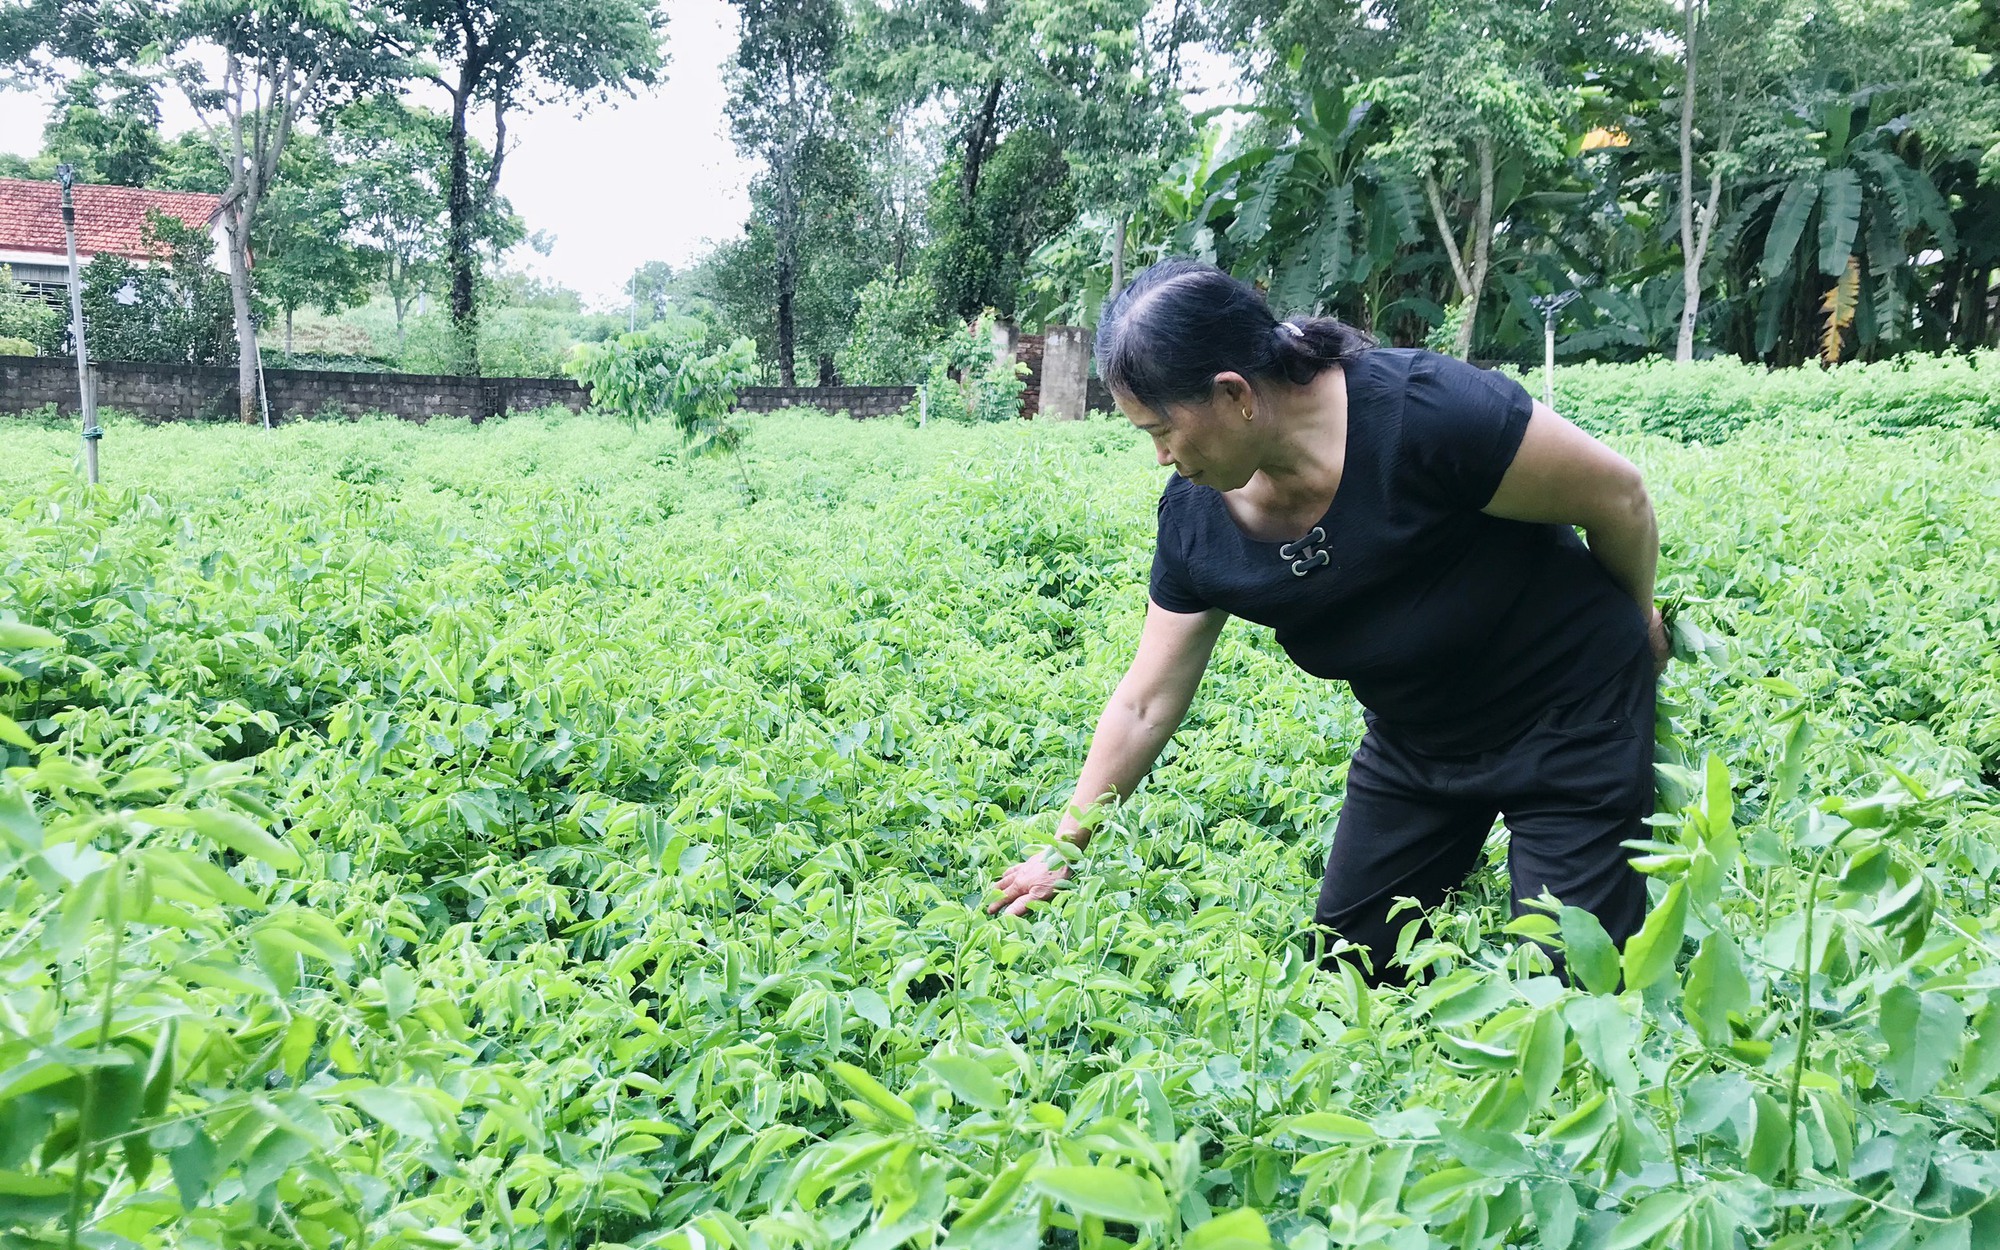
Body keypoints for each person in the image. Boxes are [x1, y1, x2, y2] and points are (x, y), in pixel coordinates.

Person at [986, 260, 1670, 985]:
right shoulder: (1195, 523)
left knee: (1574, 990)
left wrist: (1636, 630)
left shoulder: (1428, 414)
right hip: (1418, 742)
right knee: (1349, 976)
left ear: (1234, 395)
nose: (1161, 456)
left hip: (1571, 715)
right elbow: (1145, 702)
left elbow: (1619, 497)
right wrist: (1062, 853)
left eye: (1163, 430)